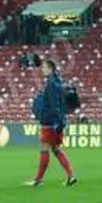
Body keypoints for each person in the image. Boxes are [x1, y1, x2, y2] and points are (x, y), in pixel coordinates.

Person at [25, 59, 78, 187]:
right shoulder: (58, 82)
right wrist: (61, 120)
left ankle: (38, 179)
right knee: (56, 149)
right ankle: (71, 176)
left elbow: (54, 104)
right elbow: (60, 103)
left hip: (50, 121)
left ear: (50, 69)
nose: (42, 70)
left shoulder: (51, 84)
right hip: (56, 121)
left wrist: (57, 121)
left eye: (44, 68)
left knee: (45, 149)